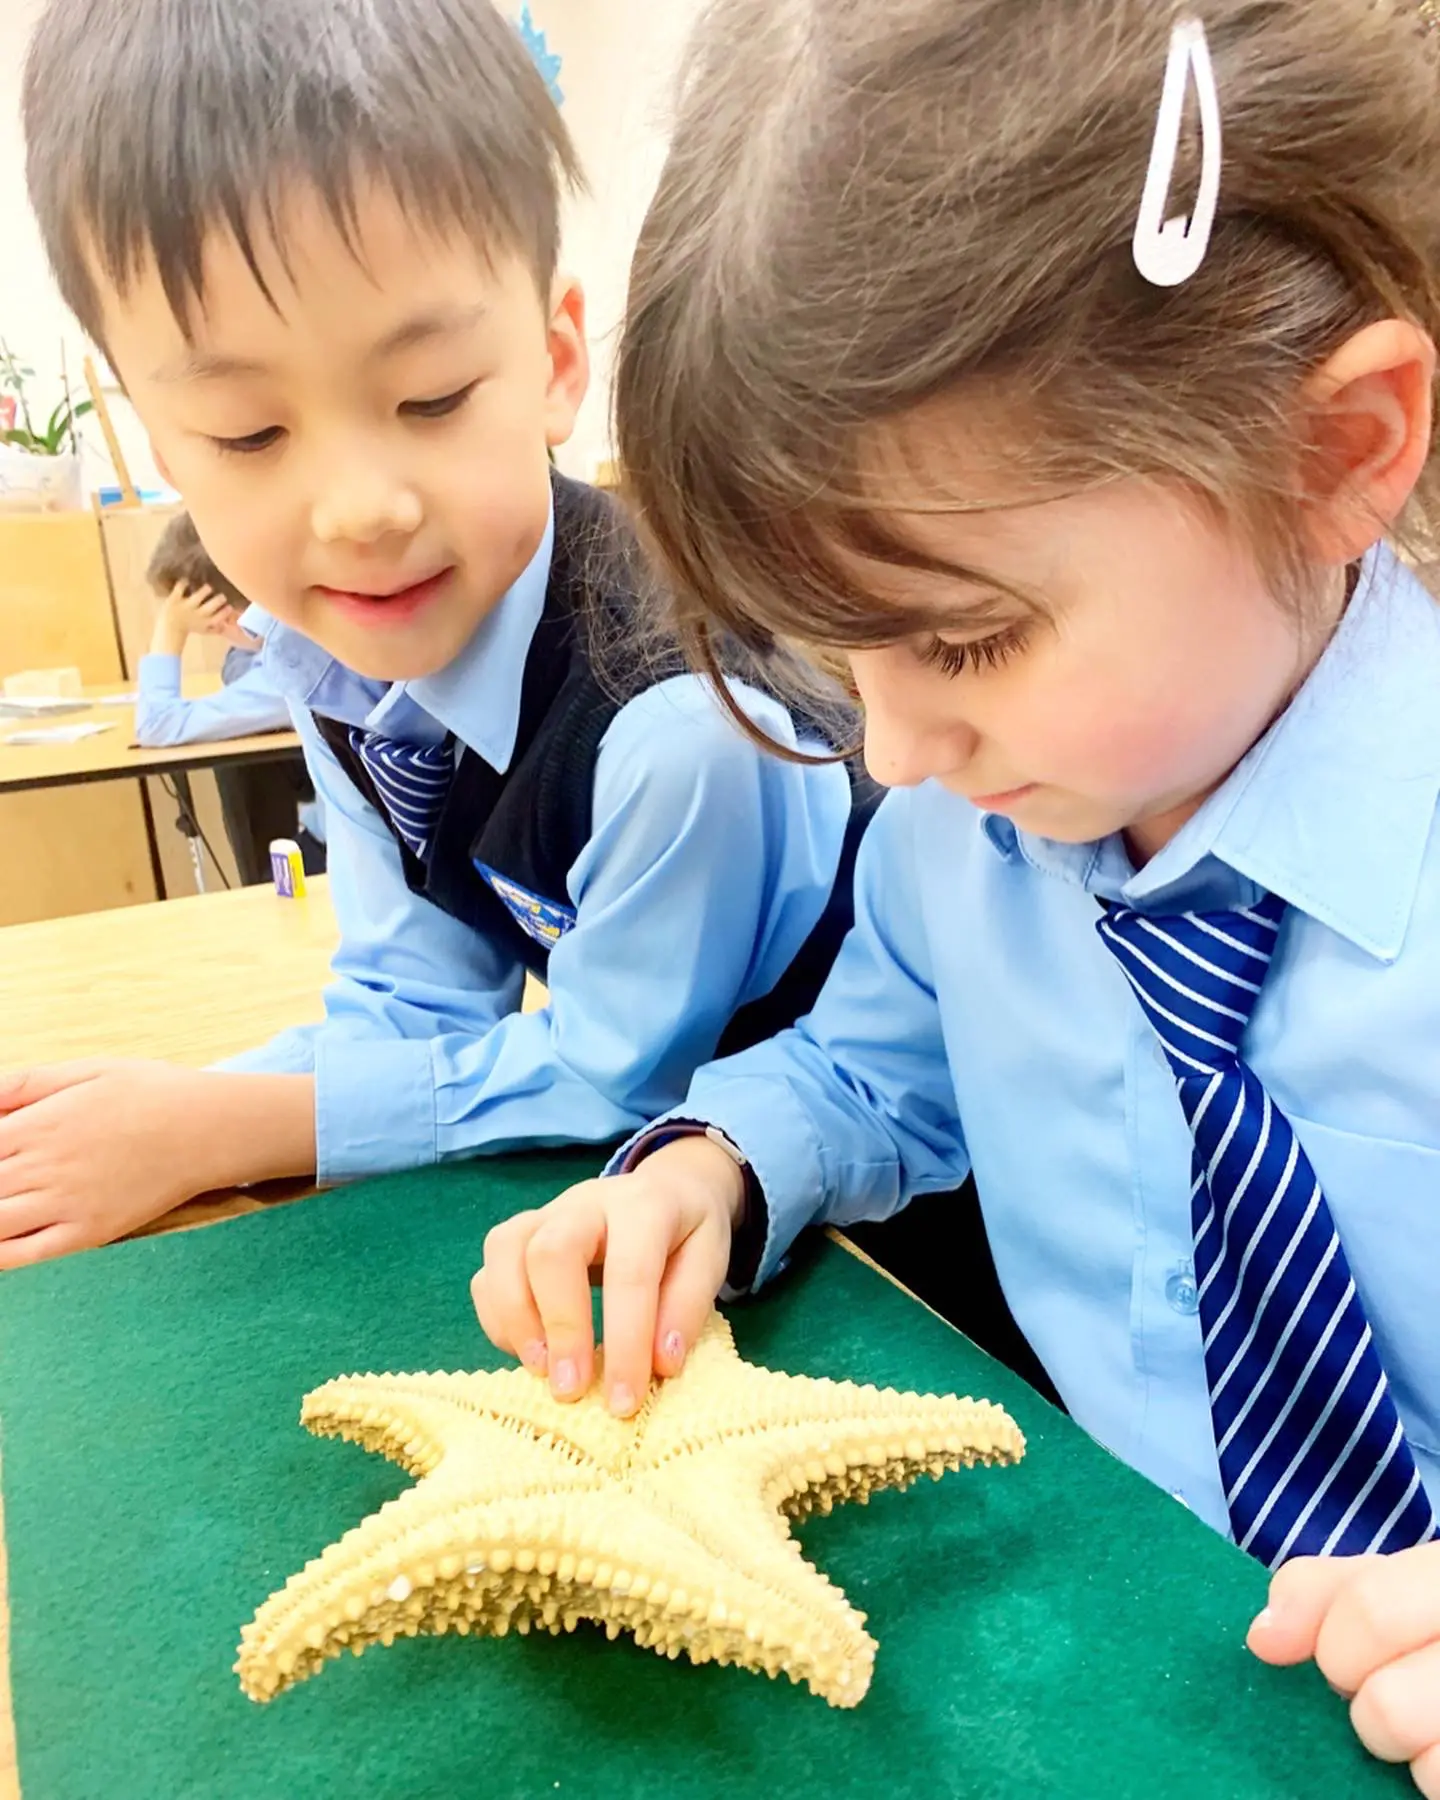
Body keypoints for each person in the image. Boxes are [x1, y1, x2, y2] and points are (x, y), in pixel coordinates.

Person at [471, 1, 1440, 1786]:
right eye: (838, 665)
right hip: (1131, 1674)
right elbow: (875, 1071)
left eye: (969, 640)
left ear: (1336, 453)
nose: (898, 753)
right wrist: (719, 1164)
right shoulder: (957, 829)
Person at [0, 0, 851, 1266]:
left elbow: (615, 1079)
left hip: (868, 1216)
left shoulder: (679, 727)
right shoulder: (339, 657)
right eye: (247, 433)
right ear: (150, 432)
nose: (360, 513)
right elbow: (415, 994)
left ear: (560, 356)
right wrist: (162, 1118)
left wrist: (220, 1131)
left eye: (431, 398)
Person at [137, 510, 326, 881]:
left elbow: (157, 726)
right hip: (333, 838)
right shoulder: (295, 637)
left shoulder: (287, 669)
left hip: (336, 853)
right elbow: (240, 662)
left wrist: (170, 629)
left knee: (263, 882)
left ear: (220, 616)